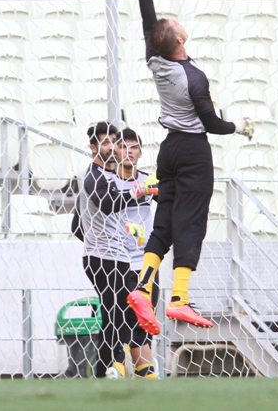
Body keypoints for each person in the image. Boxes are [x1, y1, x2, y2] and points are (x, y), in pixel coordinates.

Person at [112, 0, 255, 336]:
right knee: (191, 224)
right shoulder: (194, 77)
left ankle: (142, 287)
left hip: (167, 150)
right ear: (179, 39)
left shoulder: (155, 58)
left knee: (165, 222)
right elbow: (212, 125)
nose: (169, 21)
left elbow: (146, 12)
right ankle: (178, 300)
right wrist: (238, 127)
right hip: (192, 150)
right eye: (173, 24)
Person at [74, 122, 156, 379]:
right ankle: (116, 367)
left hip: (127, 258)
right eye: (106, 143)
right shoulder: (94, 176)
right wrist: (100, 241)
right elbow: (105, 207)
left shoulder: (112, 176)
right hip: (105, 258)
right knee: (121, 314)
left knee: (123, 315)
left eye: (114, 142)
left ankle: (122, 370)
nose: (112, 148)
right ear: (93, 148)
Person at [112, 127, 159, 378]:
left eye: (133, 147)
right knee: (124, 313)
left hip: (147, 260)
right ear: (115, 151)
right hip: (119, 259)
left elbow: (169, 203)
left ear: (140, 152)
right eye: (123, 146)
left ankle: (144, 370)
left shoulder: (149, 180)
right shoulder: (108, 182)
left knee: (145, 315)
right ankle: (118, 364)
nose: (128, 151)